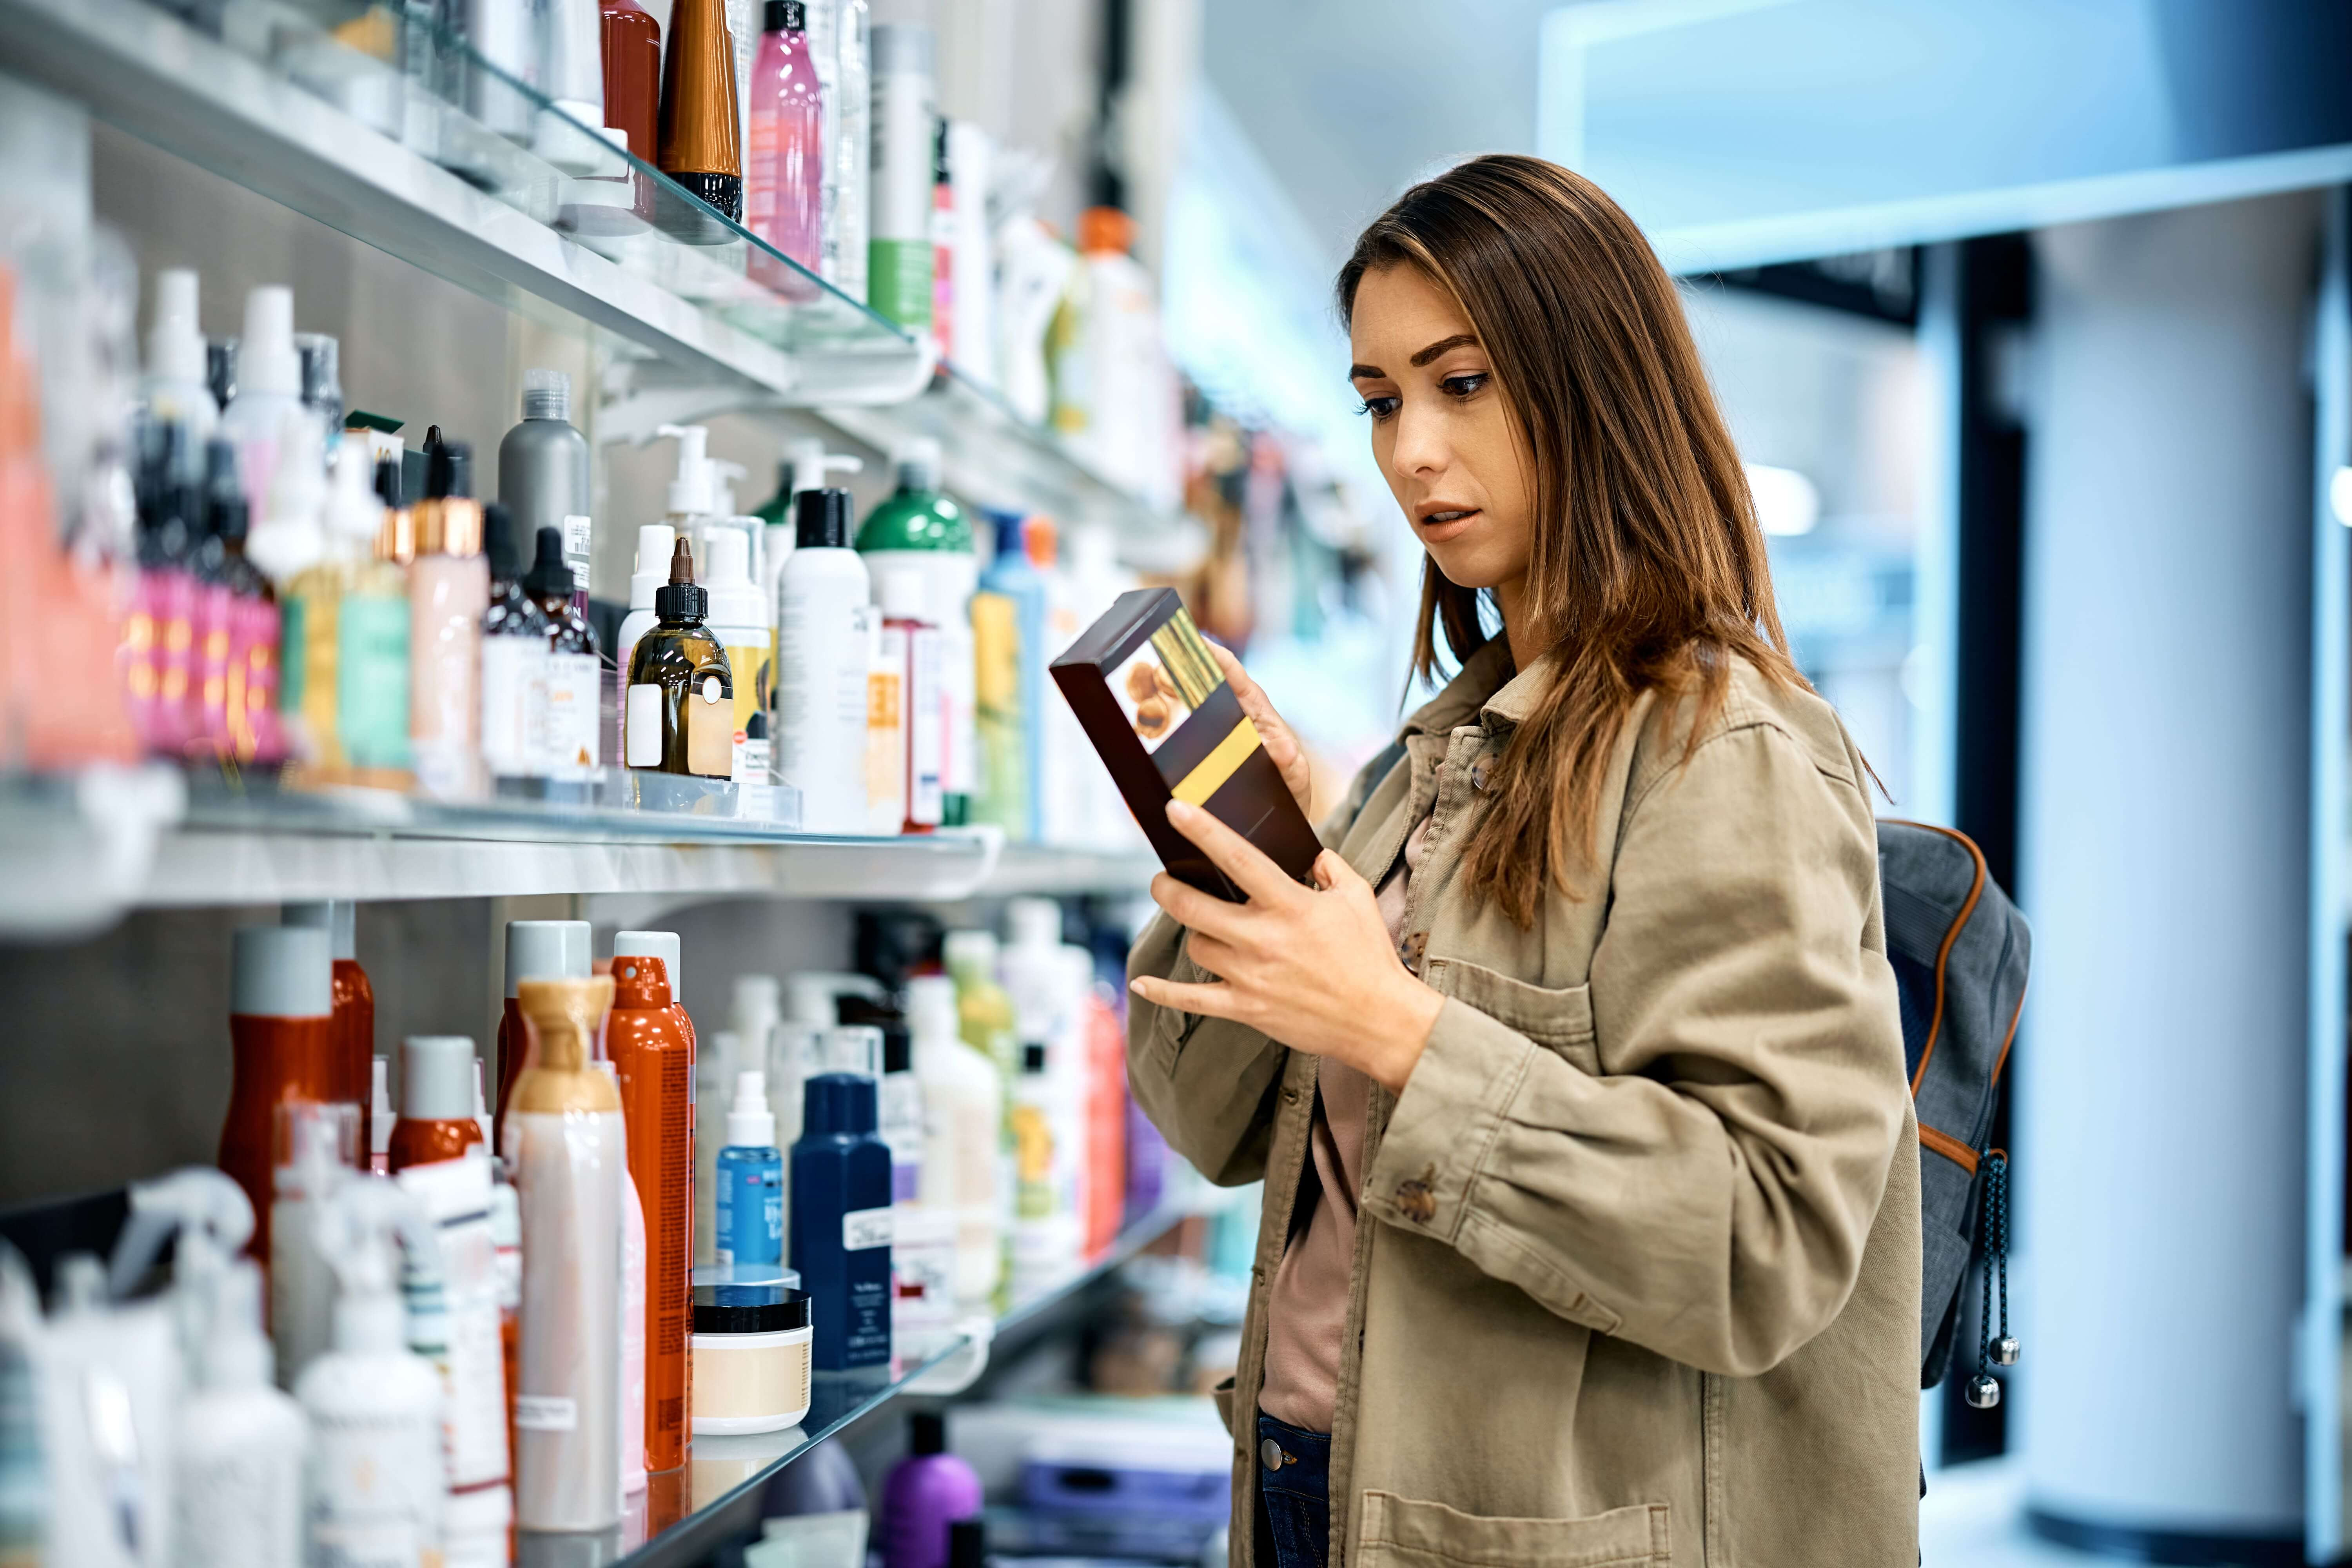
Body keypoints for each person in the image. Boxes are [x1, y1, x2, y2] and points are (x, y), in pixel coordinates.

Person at [1125, 154, 1918, 1568]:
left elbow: (1765, 1239)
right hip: (1322, 1483)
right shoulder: (1431, 761)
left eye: (1463, 384)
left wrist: (1394, 1028)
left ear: (1592, 378)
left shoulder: (1716, 746)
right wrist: (1275, 850)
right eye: (1378, 402)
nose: (1410, 451)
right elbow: (1213, 1122)